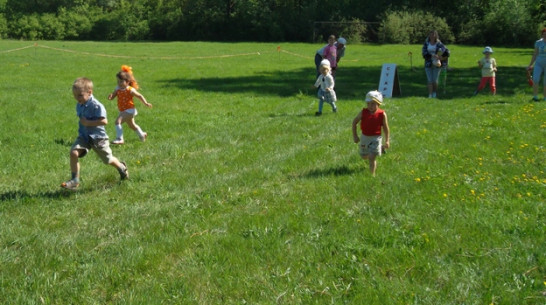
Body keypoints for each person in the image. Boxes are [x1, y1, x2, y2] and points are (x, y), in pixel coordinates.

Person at [61, 77, 129, 190]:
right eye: (75, 95)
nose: (77, 98)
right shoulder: (80, 104)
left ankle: (121, 167)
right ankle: (75, 180)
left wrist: (88, 122)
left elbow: (104, 121)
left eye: (80, 95)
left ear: (89, 92)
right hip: (84, 136)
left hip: (98, 138)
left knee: (108, 160)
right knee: (73, 153)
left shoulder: (97, 105)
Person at [108, 65, 152, 144]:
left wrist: (145, 103)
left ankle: (120, 138)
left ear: (127, 82)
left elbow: (139, 96)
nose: (119, 83)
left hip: (130, 110)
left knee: (118, 121)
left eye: (121, 81)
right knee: (132, 125)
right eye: (118, 81)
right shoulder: (117, 88)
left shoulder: (130, 90)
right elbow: (113, 97)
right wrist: (110, 96)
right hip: (122, 110)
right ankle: (142, 134)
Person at [351, 90, 390, 176]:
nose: (370, 106)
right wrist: (355, 136)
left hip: (376, 138)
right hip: (365, 137)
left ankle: (372, 175)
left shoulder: (382, 114)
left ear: (378, 103)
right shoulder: (363, 112)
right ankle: (378, 150)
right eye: (368, 104)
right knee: (364, 156)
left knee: (372, 157)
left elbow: (386, 128)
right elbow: (354, 122)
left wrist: (387, 141)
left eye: (373, 104)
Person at [422, 30, 448, 98]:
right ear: (429, 36)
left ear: (436, 36)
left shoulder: (439, 44)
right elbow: (424, 53)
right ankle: (430, 94)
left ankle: (434, 92)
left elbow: (446, 51)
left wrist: (440, 56)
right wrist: (431, 56)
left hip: (437, 64)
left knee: (435, 80)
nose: (432, 36)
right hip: (428, 63)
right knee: (430, 80)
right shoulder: (426, 43)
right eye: (431, 35)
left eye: (433, 35)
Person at [527, 28, 546, 101]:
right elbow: (535, 54)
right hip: (538, 63)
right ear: (542, 34)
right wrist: (530, 64)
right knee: (535, 79)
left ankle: (545, 97)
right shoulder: (538, 42)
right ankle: (535, 96)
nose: (545, 36)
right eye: (544, 34)